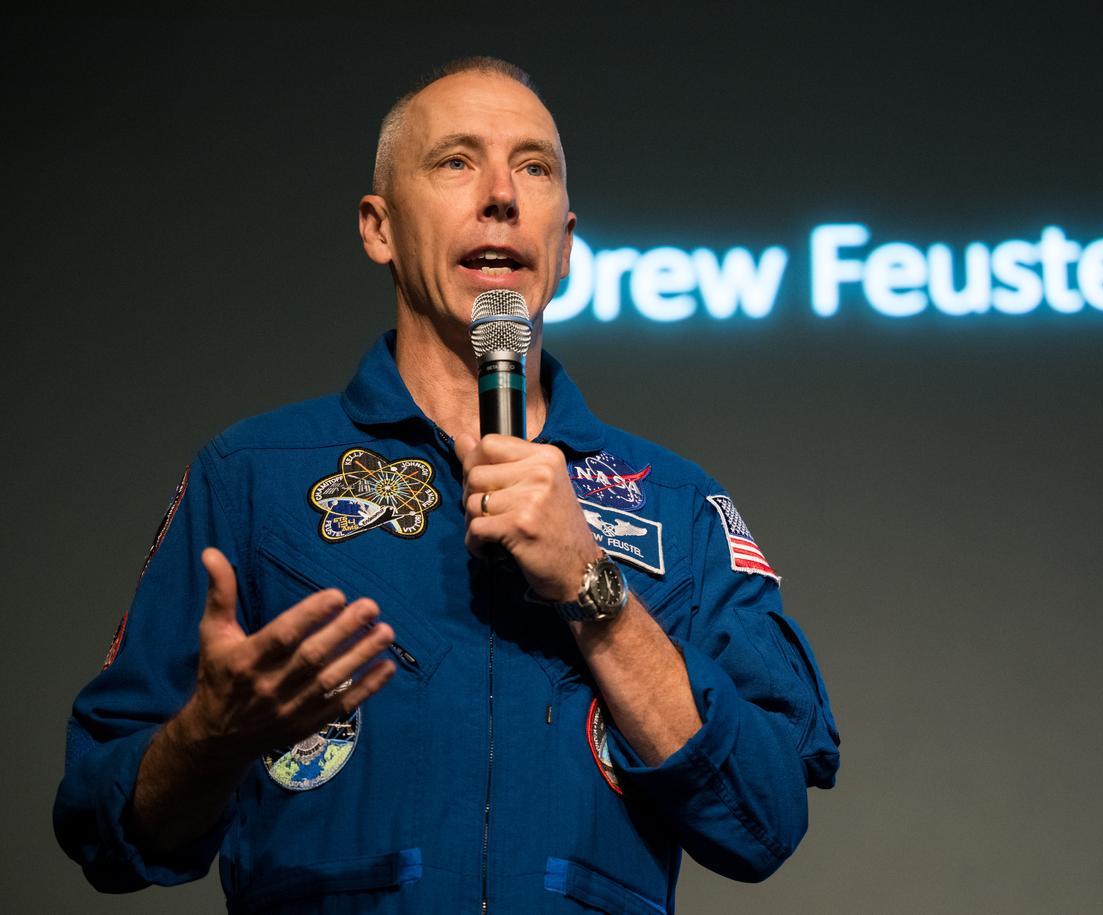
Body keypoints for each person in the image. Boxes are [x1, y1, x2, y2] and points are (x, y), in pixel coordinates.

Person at [54, 56, 840, 913]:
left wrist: (594, 589)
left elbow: (762, 822)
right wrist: (208, 741)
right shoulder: (250, 476)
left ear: (567, 245)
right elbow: (99, 822)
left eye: (533, 167)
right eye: (456, 161)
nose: (501, 194)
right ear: (379, 228)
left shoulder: (678, 505)